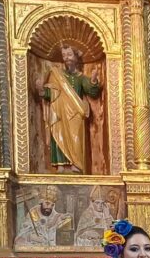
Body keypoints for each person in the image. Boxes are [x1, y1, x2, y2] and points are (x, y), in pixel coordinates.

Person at [36, 43, 102, 173]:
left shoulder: (81, 78)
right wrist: (42, 91)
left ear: (76, 57)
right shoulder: (58, 75)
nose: (67, 58)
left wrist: (93, 80)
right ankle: (61, 165)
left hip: (76, 113)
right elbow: (53, 92)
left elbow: (91, 91)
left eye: (70, 54)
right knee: (59, 134)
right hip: (60, 111)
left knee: (76, 137)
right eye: (64, 55)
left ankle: (76, 165)